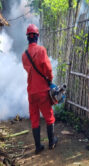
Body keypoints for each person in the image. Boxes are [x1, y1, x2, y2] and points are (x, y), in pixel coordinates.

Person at [22, 24, 58, 154]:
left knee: (34, 118)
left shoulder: (24, 55)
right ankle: (52, 142)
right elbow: (48, 69)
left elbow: (28, 69)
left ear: (28, 38)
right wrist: (50, 79)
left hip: (31, 92)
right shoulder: (41, 50)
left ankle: (38, 146)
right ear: (37, 36)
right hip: (42, 91)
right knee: (49, 117)